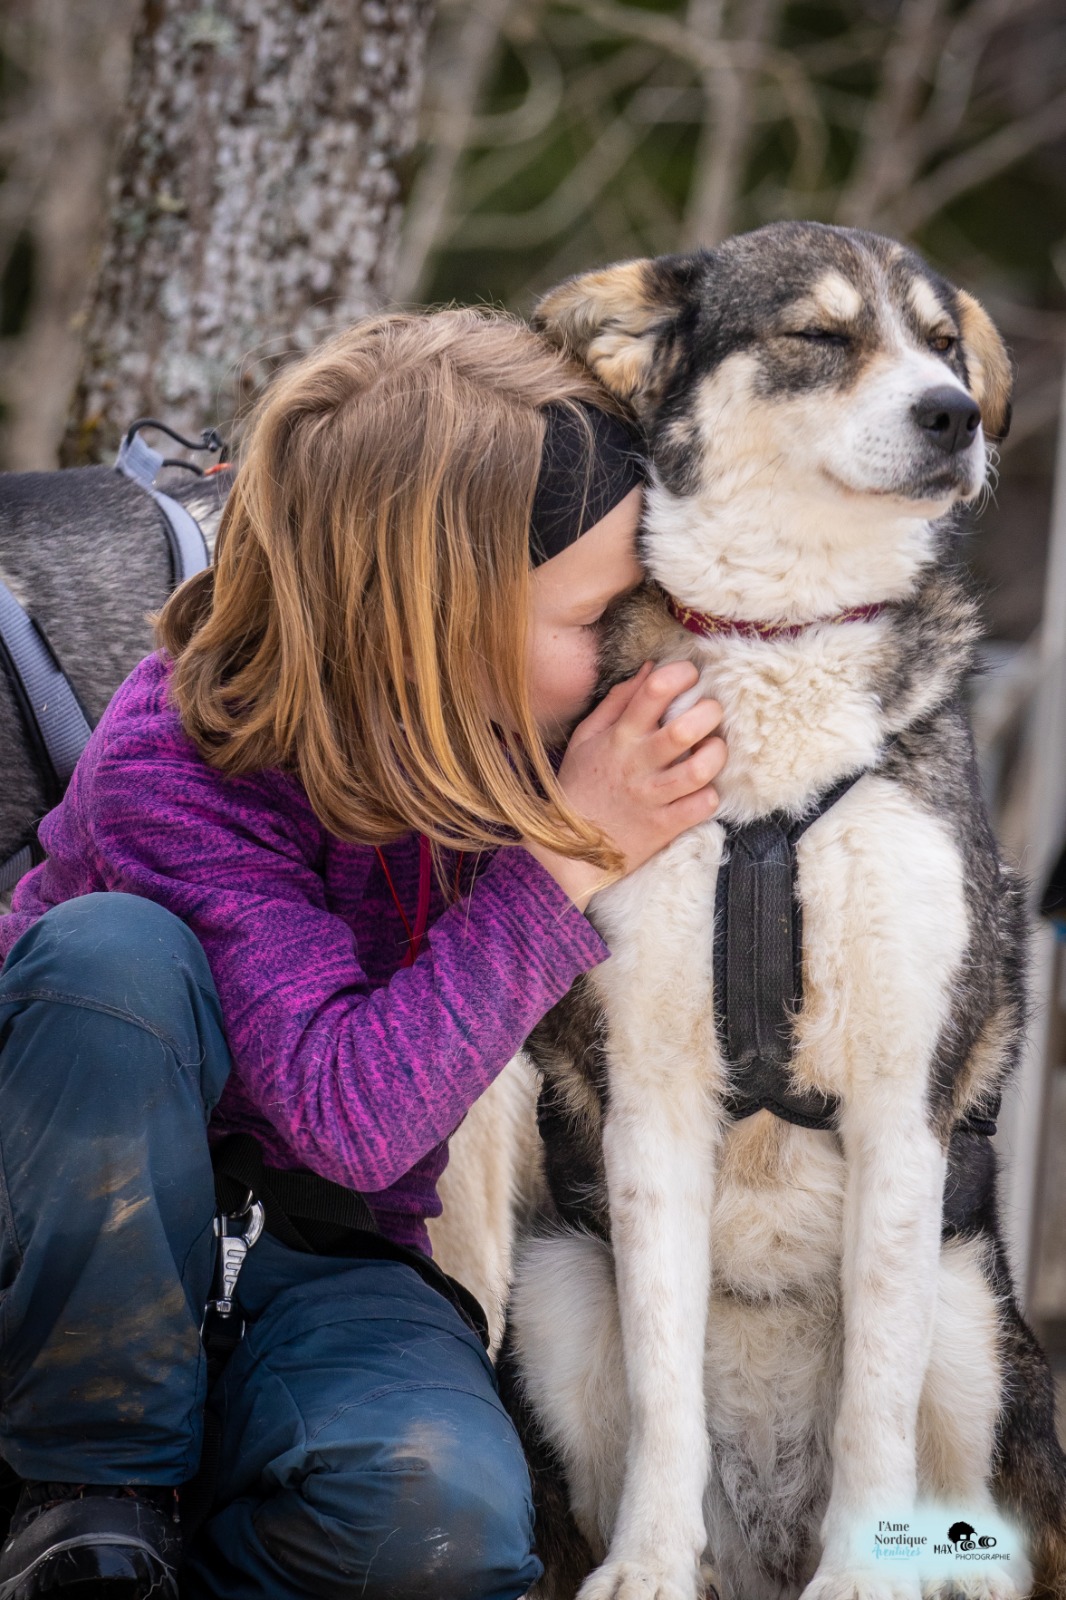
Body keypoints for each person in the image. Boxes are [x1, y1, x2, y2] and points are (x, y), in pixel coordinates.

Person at [0, 308, 726, 1600]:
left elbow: (351, 1178)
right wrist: (570, 856)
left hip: (318, 1254)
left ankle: (198, 1546)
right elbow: (350, 1115)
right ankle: (84, 1510)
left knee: (436, 1524)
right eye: (598, 613)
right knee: (110, 958)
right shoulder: (176, 756)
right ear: (437, 622)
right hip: (78, 1252)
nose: (635, 644)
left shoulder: (518, 739)